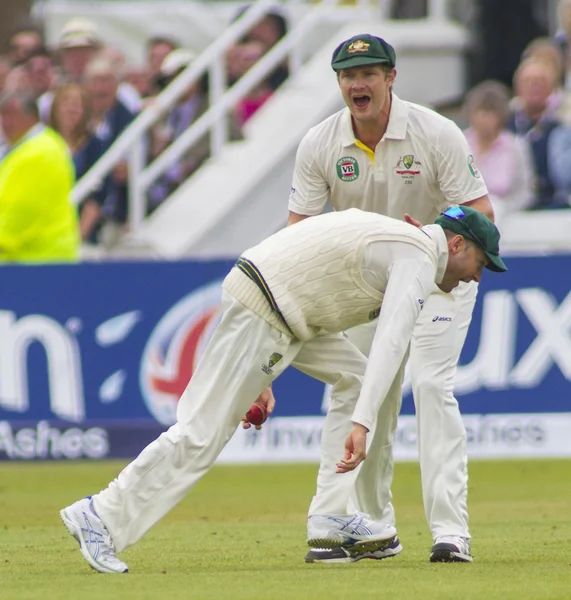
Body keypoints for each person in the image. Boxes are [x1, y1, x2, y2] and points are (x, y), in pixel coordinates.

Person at [60, 205, 506, 574]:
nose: (475, 279)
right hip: (269, 310)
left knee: (353, 375)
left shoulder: (407, 244)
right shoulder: (419, 256)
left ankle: (330, 514)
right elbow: (391, 341)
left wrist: (265, 376)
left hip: (284, 309)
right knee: (201, 433)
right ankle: (101, 515)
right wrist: (362, 425)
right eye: (479, 264)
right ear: (456, 244)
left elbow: (313, 275)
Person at [281, 33, 494, 564]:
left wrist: (432, 234)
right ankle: (374, 528)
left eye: (370, 73)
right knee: (363, 397)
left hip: (441, 274)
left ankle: (451, 532)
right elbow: (297, 237)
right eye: (350, 76)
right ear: (340, 84)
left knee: (429, 384)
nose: (359, 83)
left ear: (390, 78)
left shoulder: (433, 132)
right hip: (368, 289)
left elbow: (482, 213)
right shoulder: (320, 144)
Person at [0, 90, 79, 262]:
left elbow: (19, 212)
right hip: (26, 261)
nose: (6, 122)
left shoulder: (40, 152)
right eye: (3, 116)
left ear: (33, 117)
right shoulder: (19, 149)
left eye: (12, 115)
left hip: (42, 263)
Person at [463, 80, 534, 224]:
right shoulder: (460, 142)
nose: (483, 119)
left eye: (489, 113)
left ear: (500, 116)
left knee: (493, 210)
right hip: (462, 210)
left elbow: (525, 190)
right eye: (479, 112)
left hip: (501, 212)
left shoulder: (515, 146)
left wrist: (509, 209)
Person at [508, 57, 571, 209]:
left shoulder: (562, 128)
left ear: (551, 88)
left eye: (540, 81)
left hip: (554, 206)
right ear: (517, 89)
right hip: (514, 205)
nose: (533, 86)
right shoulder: (506, 127)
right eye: (528, 81)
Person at [49, 83, 108, 242]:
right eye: (66, 102)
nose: (71, 109)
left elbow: (97, 196)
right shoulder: (42, 143)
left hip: (83, 233)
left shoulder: (96, 146)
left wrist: (77, 237)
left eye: (78, 104)